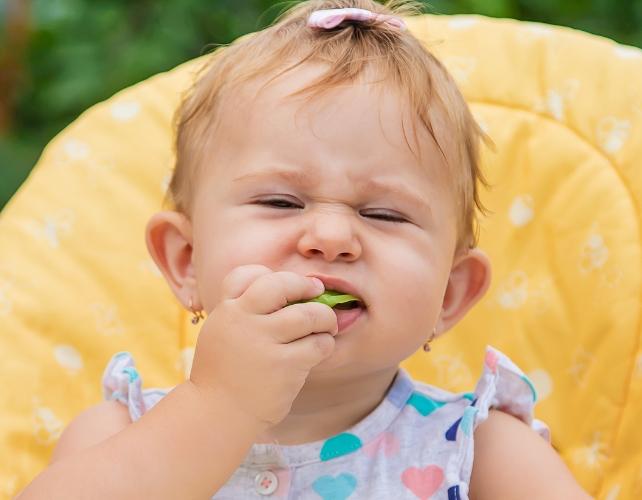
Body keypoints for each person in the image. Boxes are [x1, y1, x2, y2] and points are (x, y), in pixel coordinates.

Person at [17, 1, 592, 498]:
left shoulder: (480, 450)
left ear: (449, 292)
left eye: (383, 214)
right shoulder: (120, 432)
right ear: (186, 261)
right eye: (280, 202)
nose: (332, 239)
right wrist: (220, 404)